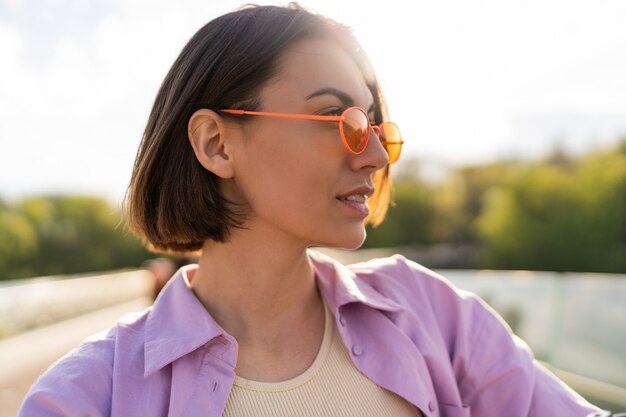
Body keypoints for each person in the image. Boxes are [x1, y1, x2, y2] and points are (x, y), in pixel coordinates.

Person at [19, 4, 604, 417]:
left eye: (375, 125)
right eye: (341, 121)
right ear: (216, 144)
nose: (374, 155)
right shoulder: (86, 398)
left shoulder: (433, 317)